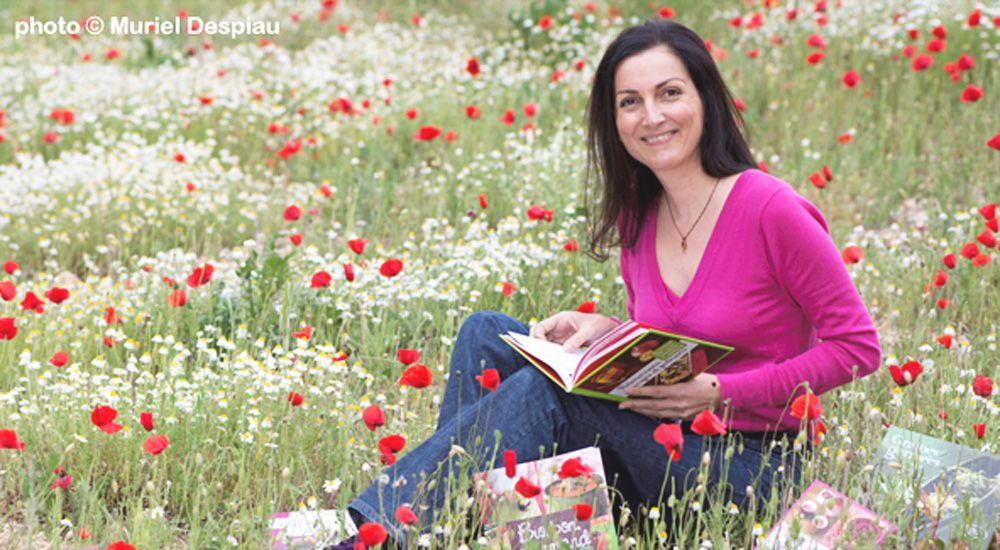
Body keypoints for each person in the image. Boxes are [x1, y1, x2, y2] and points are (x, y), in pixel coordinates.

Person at [328, 19, 881, 549]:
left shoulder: (770, 208)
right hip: (655, 447)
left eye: (669, 93)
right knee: (485, 334)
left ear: (705, 101)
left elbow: (858, 350)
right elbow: (675, 342)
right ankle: (457, 523)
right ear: (613, 120)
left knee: (553, 397)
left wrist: (718, 393)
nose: (651, 116)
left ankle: (381, 535)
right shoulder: (639, 217)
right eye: (630, 102)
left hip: (749, 467)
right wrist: (610, 330)